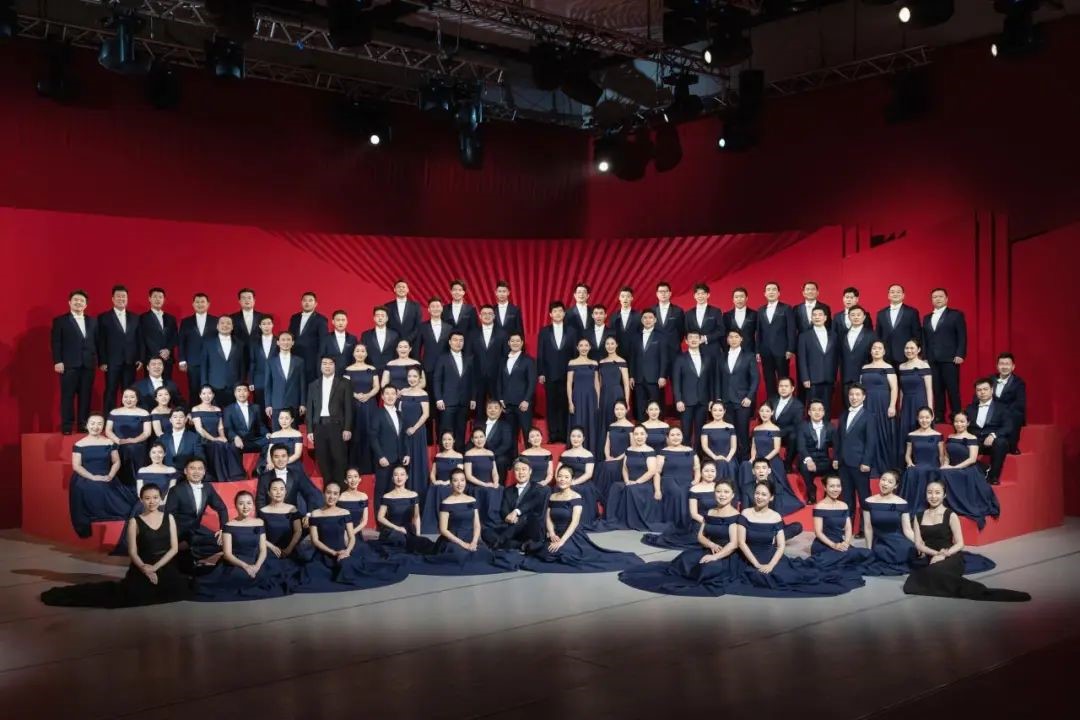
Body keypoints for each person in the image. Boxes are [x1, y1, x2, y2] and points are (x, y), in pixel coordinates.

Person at [43, 484, 190, 608]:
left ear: (161, 499)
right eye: (147, 498)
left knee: (177, 593)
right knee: (134, 597)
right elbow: (132, 552)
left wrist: (155, 568)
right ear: (141, 500)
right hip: (143, 565)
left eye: (155, 497)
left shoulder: (169, 518)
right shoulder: (134, 522)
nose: (152, 501)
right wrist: (146, 569)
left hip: (165, 565)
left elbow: (174, 548)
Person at [731, 480, 864, 597]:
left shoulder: (775, 516)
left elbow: (781, 545)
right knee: (761, 578)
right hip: (748, 559)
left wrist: (771, 565)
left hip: (771, 558)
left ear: (771, 497)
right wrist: (756, 564)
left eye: (764, 494)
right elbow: (741, 542)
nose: (759, 497)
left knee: (789, 578)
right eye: (757, 493)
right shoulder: (745, 513)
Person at [904, 481, 1029, 601]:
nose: (933, 496)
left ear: (944, 495)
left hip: (951, 556)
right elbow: (919, 544)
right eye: (930, 492)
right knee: (912, 582)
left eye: (937, 492)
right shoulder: (919, 516)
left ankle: (980, 592)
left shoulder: (950, 515)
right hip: (933, 557)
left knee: (929, 575)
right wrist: (936, 554)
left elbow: (960, 543)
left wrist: (944, 555)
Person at [618, 479, 741, 597]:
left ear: (732, 495)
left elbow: (734, 544)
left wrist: (715, 556)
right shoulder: (710, 512)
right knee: (685, 558)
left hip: (726, 554)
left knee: (708, 568)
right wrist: (711, 544)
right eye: (718, 491)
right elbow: (700, 536)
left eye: (726, 492)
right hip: (710, 548)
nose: (722, 495)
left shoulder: (735, 515)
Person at [520, 464, 644, 573]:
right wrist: (551, 533)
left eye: (566, 477)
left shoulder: (576, 497)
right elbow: (548, 517)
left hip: (571, 535)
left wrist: (562, 541)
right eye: (560, 476)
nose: (562, 479)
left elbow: (574, 523)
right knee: (545, 553)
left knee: (560, 554)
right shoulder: (553, 496)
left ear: (572, 479)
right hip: (555, 534)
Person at [298, 481, 409, 592]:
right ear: (323, 494)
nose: (331, 497)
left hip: (343, 553)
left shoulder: (345, 513)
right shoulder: (315, 514)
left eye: (335, 494)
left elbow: (351, 537)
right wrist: (333, 553)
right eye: (328, 493)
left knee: (348, 569)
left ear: (339, 496)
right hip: (323, 555)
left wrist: (347, 552)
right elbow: (315, 540)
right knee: (310, 573)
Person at [419, 468, 520, 575]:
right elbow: (443, 530)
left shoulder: (472, 500)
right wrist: (463, 544)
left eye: (462, 480)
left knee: (484, 554)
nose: (459, 484)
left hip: (470, 537)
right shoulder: (446, 503)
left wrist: (474, 541)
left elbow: (477, 524)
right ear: (451, 483)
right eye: (455, 480)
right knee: (459, 556)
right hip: (453, 539)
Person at [195, 490, 292, 601]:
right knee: (239, 578)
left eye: (249, 503)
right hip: (237, 562)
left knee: (267, 577)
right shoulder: (229, 525)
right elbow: (227, 554)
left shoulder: (259, 522)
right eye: (241, 503)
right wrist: (246, 567)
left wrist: (256, 567)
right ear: (236, 506)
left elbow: (263, 550)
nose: (245, 507)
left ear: (253, 505)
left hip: (257, 560)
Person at [68, 413, 136, 538]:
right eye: (92, 423)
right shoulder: (79, 444)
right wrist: (93, 477)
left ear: (103, 426)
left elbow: (116, 462)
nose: (96, 427)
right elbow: (76, 466)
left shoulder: (109, 442)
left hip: (107, 475)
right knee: (94, 488)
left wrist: (110, 475)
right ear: (87, 425)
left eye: (99, 424)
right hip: (85, 477)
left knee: (125, 508)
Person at [737, 405, 804, 515]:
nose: (764, 413)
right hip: (757, 459)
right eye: (762, 411)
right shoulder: (756, 429)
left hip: (772, 460)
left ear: (772, 413)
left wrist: (764, 460)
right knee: (745, 465)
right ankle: (746, 496)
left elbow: (776, 449)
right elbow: (753, 447)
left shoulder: (775, 429)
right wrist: (752, 459)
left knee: (763, 469)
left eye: (767, 411)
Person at [165, 457, 229, 571]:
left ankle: (189, 552)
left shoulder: (207, 488)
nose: (196, 471)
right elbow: (169, 517)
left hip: (196, 530)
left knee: (225, 541)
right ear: (185, 471)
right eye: (192, 468)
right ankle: (183, 552)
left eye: (200, 469)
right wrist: (175, 539)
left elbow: (222, 508)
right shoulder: (176, 490)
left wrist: (223, 529)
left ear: (204, 472)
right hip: (179, 532)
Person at [940, 412, 1001, 529]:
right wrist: (946, 465)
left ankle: (958, 505)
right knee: (941, 472)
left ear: (968, 423)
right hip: (952, 467)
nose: (959, 424)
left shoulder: (972, 438)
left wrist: (954, 468)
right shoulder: (950, 437)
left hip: (968, 469)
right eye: (956, 421)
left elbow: (972, 459)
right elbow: (947, 456)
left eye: (962, 421)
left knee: (947, 473)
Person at [643, 459, 720, 549]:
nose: (710, 474)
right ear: (701, 472)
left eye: (712, 471)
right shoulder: (695, 489)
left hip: (719, 521)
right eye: (706, 471)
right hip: (701, 521)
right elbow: (694, 514)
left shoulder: (720, 487)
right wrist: (708, 522)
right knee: (698, 540)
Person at [52, 290, 98, 435]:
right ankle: (67, 426)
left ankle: (83, 425)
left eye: (82, 301)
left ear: (86, 304)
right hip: (68, 365)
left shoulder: (93, 321)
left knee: (85, 397)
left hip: (88, 365)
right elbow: (56, 342)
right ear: (69, 302)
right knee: (68, 396)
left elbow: (97, 342)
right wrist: (58, 361)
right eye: (76, 300)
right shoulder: (60, 321)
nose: (79, 302)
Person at [601, 424, 663, 531]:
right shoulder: (629, 449)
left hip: (644, 484)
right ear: (633, 436)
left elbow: (652, 471)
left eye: (642, 434)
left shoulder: (650, 451)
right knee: (616, 486)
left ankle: (631, 521)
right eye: (636, 434)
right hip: (630, 481)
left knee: (631, 489)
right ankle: (613, 519)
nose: (639, 437)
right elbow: (624, 468)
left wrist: (637, 482)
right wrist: (626, 480)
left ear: (646, 435)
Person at [306, 356, 353, 487]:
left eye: (330, 363)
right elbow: (310, 409)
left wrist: (347, 428)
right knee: (323, 461)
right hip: (319, 427)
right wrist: (309, 430)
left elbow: (349, 408)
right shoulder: (313, 385)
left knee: (339, 461)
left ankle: (341, 493)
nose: (327, 366)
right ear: (320, 366)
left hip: (337, 427)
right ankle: (328, 494)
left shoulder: (344, 383)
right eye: (324, 363)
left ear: (335, 366)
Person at [481, 459, 548, 550]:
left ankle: (499, 541)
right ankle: (521, 546)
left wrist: (516, 512)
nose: (521, 472)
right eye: (517, 469)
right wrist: (508, 517)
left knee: (525, 517)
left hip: (530, 528)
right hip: (511, 527)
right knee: (486, 531)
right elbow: (504, 509)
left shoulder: (539, 489)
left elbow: (531, 504)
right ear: (513, 472)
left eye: (524, 469)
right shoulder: (508, 490)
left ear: (530, 471)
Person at [922, 288, 967, 423]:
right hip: (932, 359)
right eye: (935, 297)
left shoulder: (956, 315)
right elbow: (924, 339)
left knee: (952, 389)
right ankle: (939, 416)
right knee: (937, 389)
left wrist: (960, 354)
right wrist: (925, 357)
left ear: (947, 299)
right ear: (931, 300)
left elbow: (962, 336)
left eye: (940, 296)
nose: (938, 299)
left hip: (950, 358)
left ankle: (956, 416)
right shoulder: (926, 318)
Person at [859, 470, 915, 575]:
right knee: (880, 552)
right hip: (879, 541)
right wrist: (869, 549)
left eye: (890, 482)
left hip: (898, 539)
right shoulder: (869, 501)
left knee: (908, 549)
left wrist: (919, 543)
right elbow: (868, 527)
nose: (885, 483)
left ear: (895, 486)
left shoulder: (902, 503)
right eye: (883, 480)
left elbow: (907, 530)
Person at [810, 476, 872, 570]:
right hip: (824, 544)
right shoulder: (820, 506)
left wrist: (846, 543)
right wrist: (834, 545)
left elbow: (848, 528)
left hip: (840, 543)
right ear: (825, 488)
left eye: (838, 486)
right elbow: (818, 533)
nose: (836, 489)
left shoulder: (843, 505)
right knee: (844, 558)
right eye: (832, 486)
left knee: (867, 554)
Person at [97, 285, 142, 412]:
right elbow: (101, 341)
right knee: (110, 390)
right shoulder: (103, 317)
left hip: (130, 361)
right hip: (111, 362)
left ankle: (127, 416)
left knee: (129, 392)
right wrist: (102, 361)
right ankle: (109, 417)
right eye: (118, 296)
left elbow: (139, 339)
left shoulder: (135, 317)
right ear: (112, 298)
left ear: (127, 299)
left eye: (124, 296)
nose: (121, 299)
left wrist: (140, 358)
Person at [836, 384, 875, 530]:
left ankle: (865, 528)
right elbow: (839, 439)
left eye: (857, 394)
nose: (854, 397)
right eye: (851, 394)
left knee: (864, 497)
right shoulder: (843, 415)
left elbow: (871, 441)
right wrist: (836, 458)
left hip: (860, 463)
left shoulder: (869, 416)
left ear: (864, 397)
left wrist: (867, 462)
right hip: (844, 463)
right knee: (846, 497)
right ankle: (848, 528)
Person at [537, 301, 576, 443]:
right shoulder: (544, 331)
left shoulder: (572, 331)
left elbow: (575, 353)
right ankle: (553, 435)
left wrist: (575, 371)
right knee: (552, 405)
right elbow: (540, 353)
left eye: (560, 311)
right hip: (550, 374)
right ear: (550, 314)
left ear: (564, 313)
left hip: (568, 374)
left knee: (565, 404)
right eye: (555, 311)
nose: (558, 313)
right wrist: (541, 372)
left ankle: (565, 435)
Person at [964, 378, 1015, 485]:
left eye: (985, 389)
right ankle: (984, 468)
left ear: (992, 390)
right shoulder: (970, 408)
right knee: (956, 445)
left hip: (993, 441)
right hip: (975, 440)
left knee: (1001, 442)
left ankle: (993, 476)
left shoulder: (1002, 407)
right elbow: (963, 425)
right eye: (979, 390)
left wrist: (994, 435)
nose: (982, 392)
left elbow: (1008, 426)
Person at [860, 340, 900, 473]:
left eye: (879, 348)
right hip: (867, 403)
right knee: (868, 433)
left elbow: (894, 388)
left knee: (883, 432)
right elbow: (860, 388)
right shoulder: (864, 368)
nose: (876, 350)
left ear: (884, 352)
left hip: (883, 404)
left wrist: (892, 406)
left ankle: (884, 465)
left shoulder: (888, 367)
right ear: (870, 351)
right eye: (874, 348)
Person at [719, 329, 758, 462]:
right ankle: (731, 460)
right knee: (728, 432)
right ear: (727, 339)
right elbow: (718, 379)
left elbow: (755, 379)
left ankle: (744, 461)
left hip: (743, 400)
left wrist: (749, 397)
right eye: (731, 337)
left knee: (742, 432)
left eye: (736, 337)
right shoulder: (722, 356)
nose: (733, 339)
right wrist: (718, 398)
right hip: (726, 400)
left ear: (741, 339)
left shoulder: (749, 356)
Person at [191, 385, 245, 481]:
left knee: (229, 445)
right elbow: (200, 429)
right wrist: (214, 439)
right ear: (200, 395)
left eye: (209, 393)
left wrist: (223, 437)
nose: (207, 396)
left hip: (217, 438)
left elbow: (220, 427)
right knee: (218, 445)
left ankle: (236, 475)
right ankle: (222, 477)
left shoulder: (217, 409)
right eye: (204, 393)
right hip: (203, 439)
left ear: (213, 395)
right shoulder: (196, 409)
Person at [378, 465, 435, 554]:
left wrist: (418, 535)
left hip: (408, 530)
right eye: (396, 475)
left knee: (424, 544)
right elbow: (380, 517)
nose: (399, 477)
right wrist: (397, 528)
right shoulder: (387, 496)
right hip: (392, 530)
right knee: (399, 540)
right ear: (392, 478)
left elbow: (416, 517)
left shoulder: (413, 495)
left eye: (402, 474)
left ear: (406, 477)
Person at [369, 385, 410, 509]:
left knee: (396, 492)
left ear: (397, 396)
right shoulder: (377, 413)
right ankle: (380, 519)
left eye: (393, 393)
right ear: (382, 396)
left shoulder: (400, 414)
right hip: (384, 459)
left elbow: (404, 436)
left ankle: (394, 517)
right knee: (381, 491)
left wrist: (407, 453)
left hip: (400, 459)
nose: (390, 396)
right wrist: (380, 456)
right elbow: (373, 437)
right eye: (387, 393)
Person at [433, 331, 475, 451]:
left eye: (461, 340)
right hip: (447, 402)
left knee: (461, 431)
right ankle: (444, 457)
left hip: (464, 402)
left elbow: (473, 380)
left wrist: (473, 398)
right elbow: (437, 379)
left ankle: (459, 457)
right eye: (455, 340)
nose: (458, 343)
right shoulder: (442, 358)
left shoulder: (469, 358)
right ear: (450, 342)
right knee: (446, 431)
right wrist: (439, 398)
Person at [672, 331, 714, 449]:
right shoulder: (680, 358)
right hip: (685, 401)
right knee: (686, 432)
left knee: (701, 431)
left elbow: (711, 380)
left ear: (700, 340)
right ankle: (686, 455)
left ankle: (698, 456)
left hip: (703, 401)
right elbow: (676, 381)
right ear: (686, 341)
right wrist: (678, 400)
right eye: (691, 337)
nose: (694, 340)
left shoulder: (707, 357)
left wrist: (711, 399)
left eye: (696, 337)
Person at [255, 443, 323, 513]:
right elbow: (260, 501)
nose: (280, 460)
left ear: (288, 458)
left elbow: (310, 494)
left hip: (292, 516)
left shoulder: (297, 475)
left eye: (283, 456)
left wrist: (309, 514)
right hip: (271, 515)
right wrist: (264, 516)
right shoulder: (264, 478)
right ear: (272, 459)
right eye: (276, 457)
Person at [343, 343, 380, 475]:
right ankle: (354, 467)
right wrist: (355, 395)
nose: (360, 353)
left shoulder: (372, 369)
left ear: (366, 354)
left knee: (370, 432)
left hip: (370, 404)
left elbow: (377, 386)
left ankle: (370, 467)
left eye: (362, 351)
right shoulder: (348, 369)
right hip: (353, 404)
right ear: (353, 353)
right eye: (357, 351)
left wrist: (368, 395)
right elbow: (345, 387)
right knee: (355, 434)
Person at [755, 281, 796, 398]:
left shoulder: (786, 308)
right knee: (769, 380)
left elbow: (791, 329)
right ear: (764, 293)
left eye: (774, 289)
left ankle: (786, 404)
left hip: (782, 351)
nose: (771, 292)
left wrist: (790, 349)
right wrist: (757, 350)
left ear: (779, 293)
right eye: (768, 290)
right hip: (765, 351)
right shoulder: (761, 310)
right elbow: (758, 332)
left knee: (784, 380)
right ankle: (771, 404)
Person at [496, 332, 537, 447]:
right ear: (509, 343)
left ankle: (529, 456)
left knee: (527, 433)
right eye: (512, 341)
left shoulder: (528, 360)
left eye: (518, 341)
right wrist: (500, 398)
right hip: (507, 404)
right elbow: (499, 380)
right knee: (510, 436)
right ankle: (512, 457)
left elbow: (532, 382)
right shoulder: (503, 360)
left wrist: (526, 400)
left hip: (523, 404)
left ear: (522, 343)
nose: (515, 343)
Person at [628, 309, 668, 423]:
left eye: (650, 317)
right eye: (645, 318)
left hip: (655, 378)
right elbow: (632, 358)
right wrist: (631, 376)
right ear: (641, 320)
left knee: (656, 405)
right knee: (640, 405)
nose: (647, 320)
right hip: (638, 378)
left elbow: (664, 358)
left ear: (655, 320)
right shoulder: (635, 337)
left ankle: (657, 429)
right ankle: (641, 429)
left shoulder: (661, 336)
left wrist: (662, 376)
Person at [796, 307, 838, 418]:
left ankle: (826, 428)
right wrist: (805, 378)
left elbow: (836, 357)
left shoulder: (834, 335)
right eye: (814, 315)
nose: (817, 317)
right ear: (811, 318)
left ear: (825, 318)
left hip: (829, 378)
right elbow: (802, 358)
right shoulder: (804, 336)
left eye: (820, 315)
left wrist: (834, 376)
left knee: (827, 407)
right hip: (812, 379)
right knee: (813, 408)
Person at [656, 426, 700, 528]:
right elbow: (657, 472)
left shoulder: (690, 451)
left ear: (682, 436)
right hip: (669, 480)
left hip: (688, 481)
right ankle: (677, 523)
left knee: (688, 491)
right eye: (672, 435)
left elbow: (697, 468)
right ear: (668, 437)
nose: (675, 437)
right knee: (678, 492)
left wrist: (696, 480)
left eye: (678, 434)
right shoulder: (663, 452)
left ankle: (687, 523)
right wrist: (657, 490)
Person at [901, 407, 943, 512]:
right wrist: (909, 463)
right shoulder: (911, 435)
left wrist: (942, 467)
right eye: (921, 417)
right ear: (917, 418)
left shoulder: (938, 435)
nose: (924, 420)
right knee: (910, 471)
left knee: (928, 472)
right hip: (917, 466)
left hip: (933, 467)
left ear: (932, 418)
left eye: (927, 417)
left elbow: (941, 456)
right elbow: (907, 455)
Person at [177, 292, 216, 408]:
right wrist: (182, 360)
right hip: (193, 362)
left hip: (212, 362)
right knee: (194, 390)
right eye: (197, 302)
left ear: (208, 304)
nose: (200, 304)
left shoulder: (216, 320)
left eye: (202, 302)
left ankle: (212, 414)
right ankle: (193, 414)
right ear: (193, 304)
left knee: (211, 390)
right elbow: (181, 341)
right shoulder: (186, 321)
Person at [469, 305, 508, 418]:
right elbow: (468, 356)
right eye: (484, 314)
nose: (487, 316)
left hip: (496, 377)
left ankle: (497, 429)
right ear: (480, 316)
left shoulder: (503, 333)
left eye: (490, 313)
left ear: (494, 316)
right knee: (478, 409)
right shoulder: (472, 334)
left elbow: (506, 356)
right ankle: (479, 428)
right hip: (477, 377)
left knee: (497, 406)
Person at [105, 388, 151, 484]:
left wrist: (134, 440)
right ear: (122, 398)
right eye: (125, 397)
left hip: (137, 444)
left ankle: (135, 485)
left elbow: (147, 432)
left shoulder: (144, 413)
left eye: (132, 397)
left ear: (137, 399)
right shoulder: (114, 412)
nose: (128, 399)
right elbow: (108, 431)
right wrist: (118, 441)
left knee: (132, 449)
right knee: (116, 450)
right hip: (117, 443)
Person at [422, 431, 465, 533]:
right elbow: (433, 473)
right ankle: (434, 524)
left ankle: (447, 524)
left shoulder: (459, 456)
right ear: (441, 441)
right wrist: (435, 481)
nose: (447, 442)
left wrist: (448, 482)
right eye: (444, 440)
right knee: (434, 488)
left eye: (449, 439)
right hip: (439, 483)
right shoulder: (438, 455)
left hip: (453, 484)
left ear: (454, 441)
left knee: (444, 489)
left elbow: (459, 474)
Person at [263, 330, 306, 431]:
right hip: (276, 404)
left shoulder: (299, 361)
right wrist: (268, 404)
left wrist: (303, 403)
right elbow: (268, 385)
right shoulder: (270, 362)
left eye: (288, 340)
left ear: (292, 342)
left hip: (294, 404)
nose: (285, 342)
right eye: (283, 340)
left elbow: (302, 384)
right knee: (277, 434)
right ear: (278, 342)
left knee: (293, 434)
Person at [258, 477, 307, 565]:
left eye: (281, 489)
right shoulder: (262, 512)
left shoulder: (292, 509)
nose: (278, 492)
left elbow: (298, 531)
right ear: (269, 493)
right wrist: (272, 547)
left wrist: (289, 549)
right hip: (269, 551)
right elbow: (259, 535)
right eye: (274, 489)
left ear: (285, 492)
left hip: (292, 550)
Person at [398, 367, 430, 497]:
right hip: (403, 430)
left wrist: (414, 428)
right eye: (410, 376)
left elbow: (426, 414)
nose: (412, 379)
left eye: (415, 376)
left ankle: (418, 495)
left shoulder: (423, 394)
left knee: (417, 461)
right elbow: (399, 410)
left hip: (417, 432)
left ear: (420, 378)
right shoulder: (403, 392)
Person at [796, 400, 836, 504]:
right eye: (814, 410)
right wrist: (809, 460)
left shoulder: (830, 427)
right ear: (809, 412)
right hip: (809, 458)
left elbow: (837, 445)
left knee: (838, 467)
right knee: (804, 467)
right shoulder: (803, 427)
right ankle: (811, 491)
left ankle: (829, 492)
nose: (817, 412)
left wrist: (836, 459)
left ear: (823, 412)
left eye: (820, 410)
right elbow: (801, 447)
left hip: (824, 459)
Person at [594, 399, 634, 503]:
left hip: (623, 459)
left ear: (626, 410)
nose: (619, 411)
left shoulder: (630, 426)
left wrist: (617, 459)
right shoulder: (611, 426)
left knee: (609, 467)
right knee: (601, 465)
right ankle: (599, 497)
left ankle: (608, 498)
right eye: (617, 409)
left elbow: (632, 447)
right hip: (611, 458)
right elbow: (607, 444)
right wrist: (608, 456)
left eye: (621, 409)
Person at [559, 426, 599, 527]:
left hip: (582, 482)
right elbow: (558, 471)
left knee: (579, 489)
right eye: (573, 436)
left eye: (578, 436)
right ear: (570, 437)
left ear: (583, 438)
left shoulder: (588, 454)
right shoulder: (565, 454)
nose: (575, 439)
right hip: (565, 481)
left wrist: (573, 482)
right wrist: (561, 481)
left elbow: (589, 474)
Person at [567, 337, 601, 454]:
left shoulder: (594, 363)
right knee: (578, 421)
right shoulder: (572, 362)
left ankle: (591, 451)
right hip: (577, 396)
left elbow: (597, 383)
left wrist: (598, 401)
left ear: (590, 347)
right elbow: (569, 383)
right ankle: (576, 452)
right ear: (577, 348)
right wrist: (570, 402)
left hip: (591, 397)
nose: (584, 348)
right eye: (581, 345)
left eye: (586, 345)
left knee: (591, 423)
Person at [199, 316, 243, 407]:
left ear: (232, 327)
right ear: (217, 326)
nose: (225, 325)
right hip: (214, 386)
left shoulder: (240, 344)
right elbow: (204, 365)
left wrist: (241, 384)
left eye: (228, 323)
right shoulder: (208, 343)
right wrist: (204, 385)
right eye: (222, 323)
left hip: (234, 386)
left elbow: (242, 365)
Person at [875, 284, 921, 366]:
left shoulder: (912, 312)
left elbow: (917, 334)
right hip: (885, 357)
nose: (895, 294)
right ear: (888, 295)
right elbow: (878, 335)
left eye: (898, 292)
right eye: (892, 292)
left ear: (903, 295)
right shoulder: (881, 313)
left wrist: (915, 353)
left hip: (906, 355)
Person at [288, 291, 328, 385]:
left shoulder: (321, 319)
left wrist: (319, 361)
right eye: (305, 300)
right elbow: (290, 336)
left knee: (310, 386)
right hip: (295, 358)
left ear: (315, 304)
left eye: (310, 300)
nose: (307, 303)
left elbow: (323, 342)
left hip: (312, 360)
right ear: (301, 302)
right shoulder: (294, 318)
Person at [464, 427, 501, 527]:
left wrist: (496, 482)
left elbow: (495, 472)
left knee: (499, 489)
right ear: (472, 440)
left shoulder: (490, 453)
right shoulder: (469, 453)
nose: (479, 440)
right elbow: (468, 476)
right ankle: (486, 522)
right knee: (487, 491)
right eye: (476, 437)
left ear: (485, 438)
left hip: (490, 484)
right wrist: (484, 484)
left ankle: (495, 521)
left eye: (481, 437)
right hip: (475, 485)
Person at [897, 339, 934, 442]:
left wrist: (930, 409)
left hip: (920, 401)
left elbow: (929, 389)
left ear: (918, 350)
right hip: (906, 403)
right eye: (907, 348)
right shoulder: (901, 367)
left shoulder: (924, 365)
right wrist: (900, 406)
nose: (909, 350)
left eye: (912, 348)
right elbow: (901, 389)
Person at [990, 352, 1026, 454]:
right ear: (997, 366)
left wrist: (1003, 411)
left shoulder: (1018, 383)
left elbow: (1020, 403)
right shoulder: (990, 379)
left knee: (1016, 414)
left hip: (1009, 412)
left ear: (1013, 367)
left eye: (1007, 364)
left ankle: (1012, 446)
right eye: (1001, 364)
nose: (1004, 367)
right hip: (992, 410)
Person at [223, 383, 267, 464]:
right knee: (232, 446)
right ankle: (238, 470)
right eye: (239, 390)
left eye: (244, 390)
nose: (242, 393)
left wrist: (267, 433)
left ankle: (261, 466)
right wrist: (235, 437)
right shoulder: (228, 409)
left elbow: (260, 425)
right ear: (234, 393)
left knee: (270, 441)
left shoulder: (256, 407)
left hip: (254, 440)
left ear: (248, 393)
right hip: (240, 440)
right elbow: (228, 428)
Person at [140, 287, 178, 380]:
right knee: (151, 386)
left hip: (167, 359)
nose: (158, 299)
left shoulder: (171, 318)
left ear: (164, 299)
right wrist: (157, 354)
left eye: (160, 297)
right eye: (155, 297)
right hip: (151, 359)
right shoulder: (142, 318)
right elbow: (142, 339)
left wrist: (168, 350)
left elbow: (175, 336)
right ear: (149, 299)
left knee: (166, 385)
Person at [767, 377, 805, 472]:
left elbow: (796, 426)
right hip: (769, 432)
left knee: (794, 436)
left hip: (785, 435)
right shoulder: (772, 400)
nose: (783, 388)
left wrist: (778, 432)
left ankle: (788, 463)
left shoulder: (798, 405)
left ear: (792, 388)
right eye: (781, 386)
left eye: (786, 386)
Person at [259, 408, 309, 479]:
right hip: (275, 464)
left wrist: (282, 463)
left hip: (291, 463)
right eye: (281, 418)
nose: (283, 421)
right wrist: (270, 463)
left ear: (292, 420)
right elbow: (270, 453)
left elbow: (297, 454)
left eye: (287, 418)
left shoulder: (297, 434)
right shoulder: (274, 435)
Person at [838, 304, 874, 392]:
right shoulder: (842, 335)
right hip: (846, 377)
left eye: (858, 315)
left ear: (864, 317)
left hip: (864, 376)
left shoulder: (871, 335)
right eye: (853, 315)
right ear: (849, 317)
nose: (856, 317)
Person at [597, 336, 631, 430]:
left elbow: (626, 384)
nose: (610, 346)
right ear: (604, 346)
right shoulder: (601, 362)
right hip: (604, 394)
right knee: (604, 418)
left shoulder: (622, 361)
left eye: (612, 343)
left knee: (617, 416)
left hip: (617, 393)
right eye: (607, 344)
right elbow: (599, 383)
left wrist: (626, 401)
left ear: (616, 345)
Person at [684, 283, 724, 359]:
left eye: (703, 293)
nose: (700, 296)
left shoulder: (716, 311)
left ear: (708, 295)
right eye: (698, 294)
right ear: (694, 296)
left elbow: (721, 330)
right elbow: (687, 331)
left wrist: (706, 338)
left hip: (712, 350)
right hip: (695, 350)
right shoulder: (688, 314)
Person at [416, 297, 450, 387]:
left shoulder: (449, 328)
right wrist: (419, 368)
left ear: (442, 308)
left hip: (445, 367)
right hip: (427, 368)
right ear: (429, 309)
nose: (435, 309)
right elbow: (417, 349)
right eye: (433, 306)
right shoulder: (422, 327)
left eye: (438, 306)